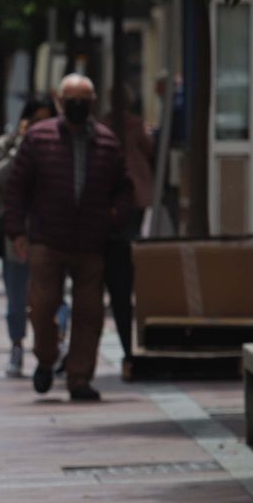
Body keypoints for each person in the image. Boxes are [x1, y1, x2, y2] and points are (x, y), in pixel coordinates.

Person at [2, 74, 132, 401]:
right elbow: (17, 187)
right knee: (43, 306)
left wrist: (115, 216)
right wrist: (16, 231)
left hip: (91, 242)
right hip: (47, 239)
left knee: (89, 313)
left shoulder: (106, 141)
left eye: (83, 99)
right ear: (59, 100)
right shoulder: (38, 138)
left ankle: (79, 377)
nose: (77, 105)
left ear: (92, 102)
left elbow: (123, 188)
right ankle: (46, 359)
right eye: (71, 98)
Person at [0, 97, 56, 378]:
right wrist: (22, 145)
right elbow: (2, 178)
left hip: (52, 233)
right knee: (17, 298)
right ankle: (17, 347)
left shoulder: (59, 144)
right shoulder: (6, 144)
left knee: (52, 297)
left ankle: (55, 345)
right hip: (16, 233)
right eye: (36, 120)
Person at [105, 85, 155, 361]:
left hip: (113, 210)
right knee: (128, 248)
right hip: (134, 197)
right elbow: (150, 148)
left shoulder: (102, 125)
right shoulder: (134, 125)